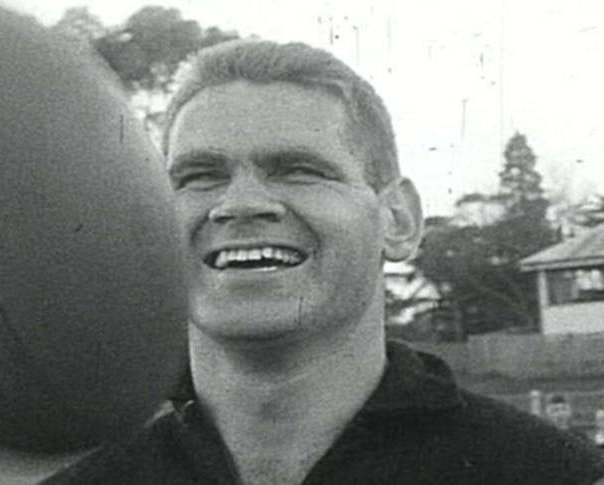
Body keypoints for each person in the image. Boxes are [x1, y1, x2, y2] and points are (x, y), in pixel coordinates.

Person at [41, 40, 604, 484]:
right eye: (198, 176)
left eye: (297, 169)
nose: (239, 204)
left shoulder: (553, 475)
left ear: (398, 220)